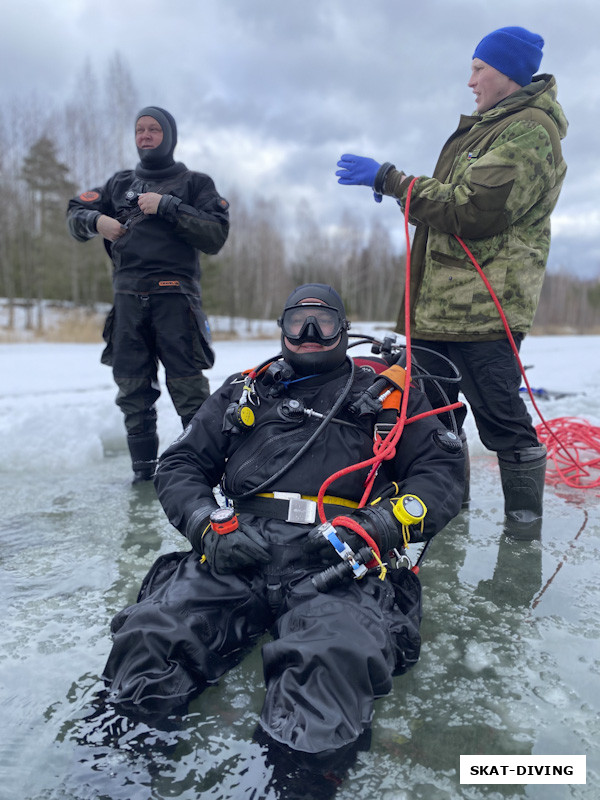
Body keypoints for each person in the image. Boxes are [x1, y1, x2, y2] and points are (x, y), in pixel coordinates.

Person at [101, 283, 464, 768]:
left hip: (340, 553)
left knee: (333, 661)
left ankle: (302, 777)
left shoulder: (392, 396)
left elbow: (441, 475)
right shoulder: (244, 391)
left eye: (324, 322)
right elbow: (180, 464)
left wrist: (378, 525)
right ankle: (114, 771)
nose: (310, 333)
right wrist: (206, 524)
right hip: (239, 545)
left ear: (345, 328)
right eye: (297, 322)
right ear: (281, 329)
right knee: (151, 635)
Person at [335, 26, 568, 538]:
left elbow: (475, 209)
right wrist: (403, 194)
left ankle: (522, 535)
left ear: (507, 72)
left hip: (483, 311)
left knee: (502, 421)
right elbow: (453, 201)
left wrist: (391, 179)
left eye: (479, 69)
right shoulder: (488, 127)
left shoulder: (527, 130)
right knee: (434, 421)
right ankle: (446, 509)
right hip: (438, 309)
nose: (470, 80)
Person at [67, 106, 230, 483]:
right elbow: (75, 213)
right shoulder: (118, 184)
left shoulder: (194, 183)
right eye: (139, 129)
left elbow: (215, 235)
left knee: (188, 389)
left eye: (154, 129)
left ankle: (203, 475)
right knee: (133, 389)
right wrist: (96, 220)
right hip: (127, 300)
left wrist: (169, 206)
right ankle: (144, 475)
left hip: (176, 300)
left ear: (168, 136)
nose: (145, 135)